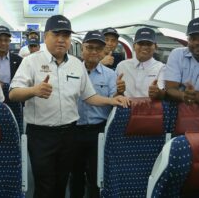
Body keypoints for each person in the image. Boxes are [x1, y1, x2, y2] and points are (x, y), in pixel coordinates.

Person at [9, 15, 130, 198]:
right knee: (44, 185)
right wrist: (34, 90)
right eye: (56, 34)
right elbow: (13, 93)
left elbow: (89, 96)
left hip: (69, 134)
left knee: (62, 182)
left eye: (65, 36)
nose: (61, 40)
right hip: (41, 134)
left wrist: (112, 101)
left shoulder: (75, 64)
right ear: (46, 36)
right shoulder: (31, 61)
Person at [70, 30, 116, 198]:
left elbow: (114, 100)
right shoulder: (72, 70)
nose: (94, 52)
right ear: (82, 49)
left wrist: (120, 96)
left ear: (104, 51)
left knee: (96, 175)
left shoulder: (111, 75)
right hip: (73, 129)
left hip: (98, 131)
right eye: (90, 47)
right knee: (75, 174)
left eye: (98, 49)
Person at [115, 27, 166, 99]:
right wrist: (119, 92)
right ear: (134, 46)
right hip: (126, 107)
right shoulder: (121, 66)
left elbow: (162, 94)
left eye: (149, 44)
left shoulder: (161, 68)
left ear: (156, 47)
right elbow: (113, 96)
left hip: (150, 109)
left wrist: (158, 92)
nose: (145, 47)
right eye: (141, 43)